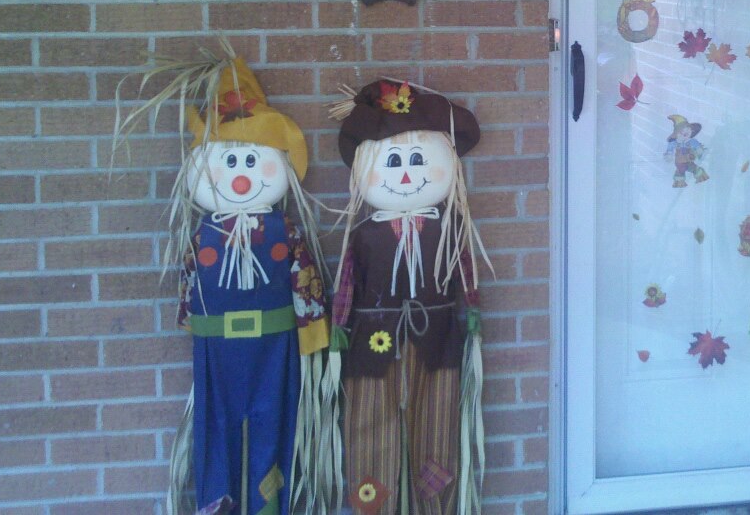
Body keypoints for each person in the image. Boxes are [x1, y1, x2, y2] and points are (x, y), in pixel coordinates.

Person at [113, 45, 340, 515]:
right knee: (215, 424)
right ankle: (219, 503)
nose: (240, 178)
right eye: (229, 163)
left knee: (273, 419)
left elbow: (305, 283)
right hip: (216, 351)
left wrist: (314, 333)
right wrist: (192, 321)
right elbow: (190, 284)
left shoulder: (284, 230)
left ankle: (268, 505)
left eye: (252, 162)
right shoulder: (203, 233)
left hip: (275, 348)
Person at [329, 80, 490, 515]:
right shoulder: (363, 230)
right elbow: (347, 279)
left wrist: (472, 310)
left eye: (418, 161)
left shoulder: (449, 225)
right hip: (372, 341)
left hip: (437, 338)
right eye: (394, 163)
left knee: (436, 417)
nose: (405, 175)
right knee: (370, 421)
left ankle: (434, 505)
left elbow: (465, 270)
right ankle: (374, 505)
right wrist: (339, 325)